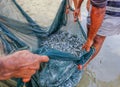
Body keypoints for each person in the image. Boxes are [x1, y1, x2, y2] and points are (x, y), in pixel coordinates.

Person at [73, 0, 120, 69]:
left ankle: (85, 62)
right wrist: (78, 7)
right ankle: (86, 50)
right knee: (90, 31)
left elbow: (99, 11)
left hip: (114, 12)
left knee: (97, 39)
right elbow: (97, 9)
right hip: (98, 6)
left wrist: (90, 39)